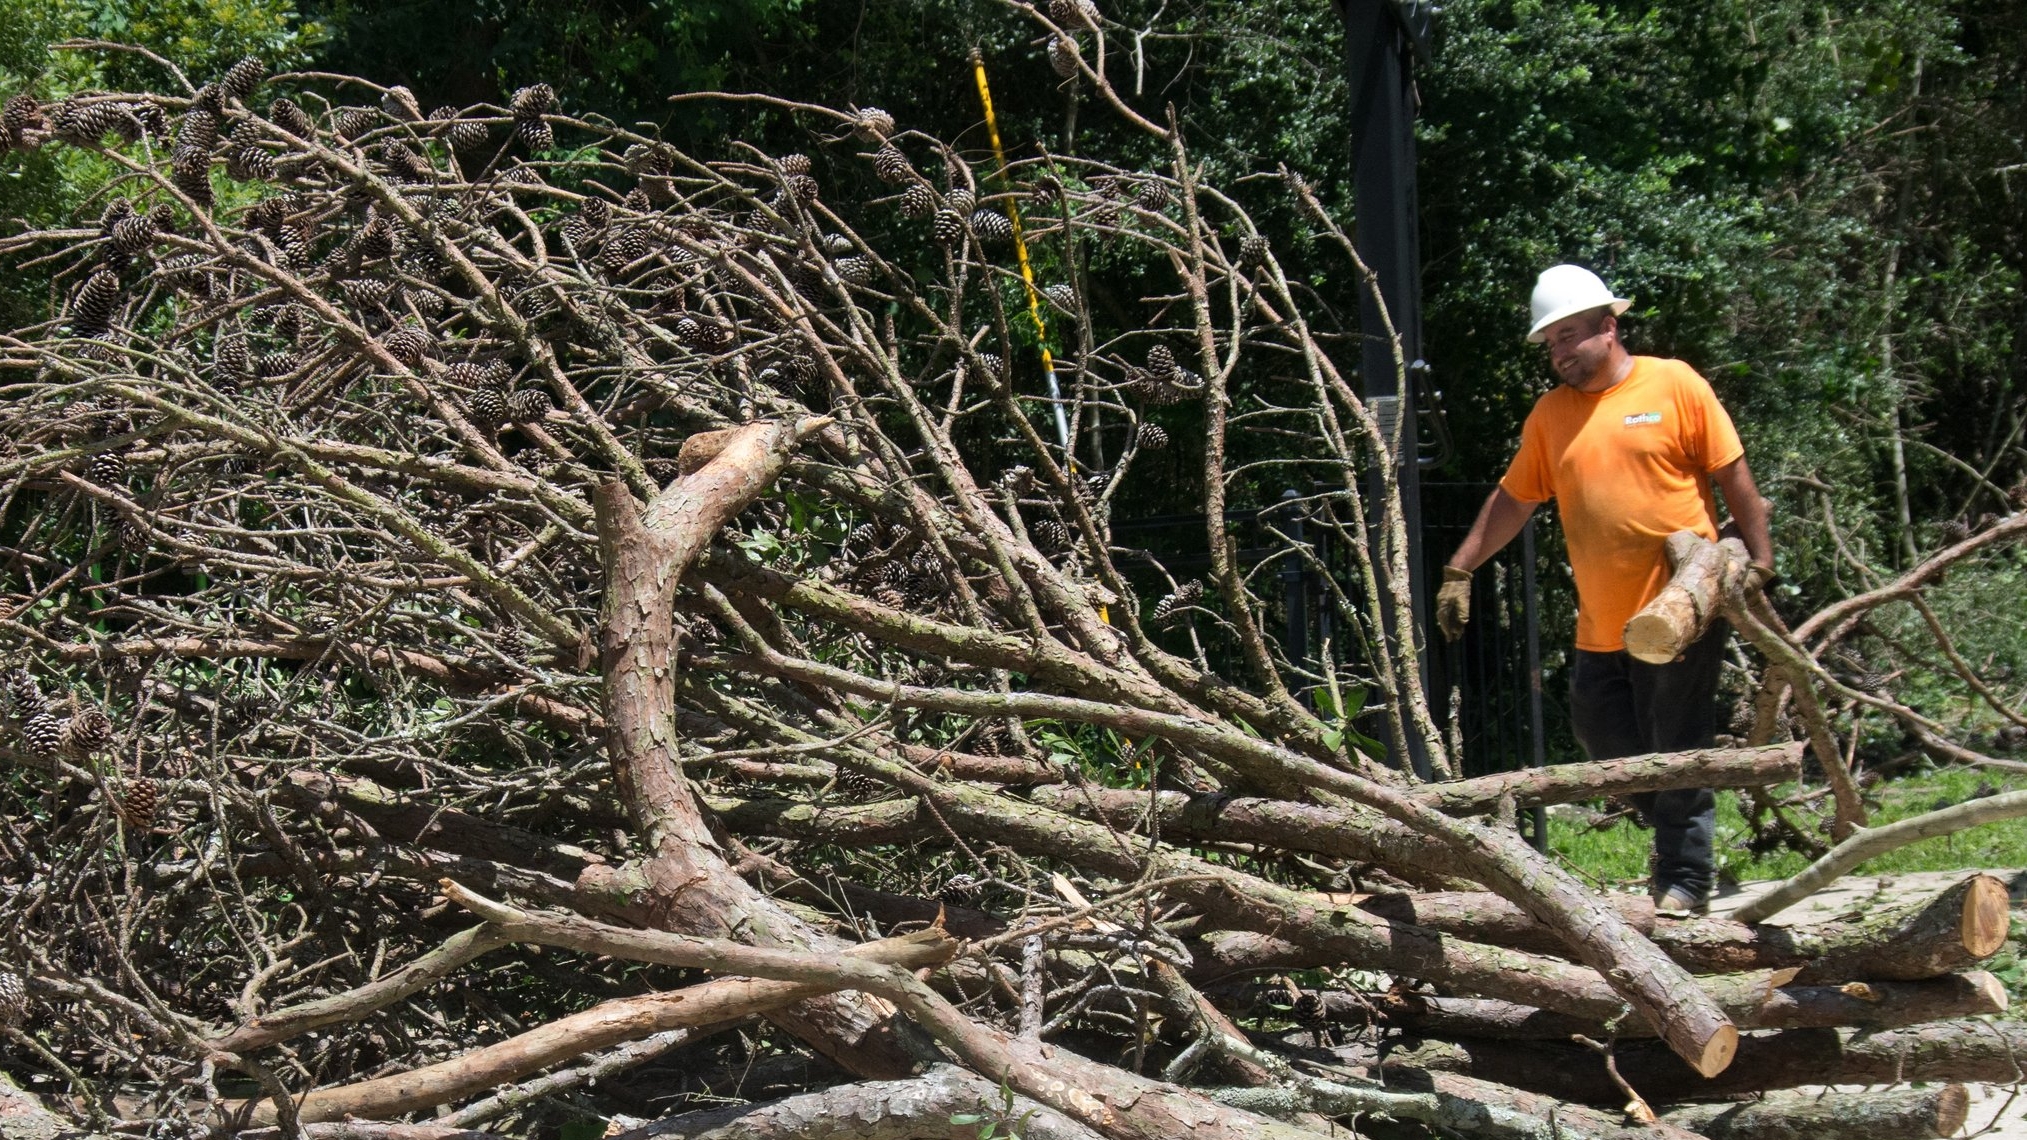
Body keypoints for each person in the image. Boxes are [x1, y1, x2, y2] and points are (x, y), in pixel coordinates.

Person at [1436, 264, 1774, 915]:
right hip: (1602, 623)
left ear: (1607, 326)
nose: (1559, 352)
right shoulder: (1551, 416)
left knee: (1675, 743)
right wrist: (1460, 568)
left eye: (1569, 336)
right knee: (1601, 737)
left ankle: (1682, 877)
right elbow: (1513, 499)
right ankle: (1679, 828)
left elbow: (1733, 476)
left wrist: (1756, 562)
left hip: (1679, 611)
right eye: (1551, 343)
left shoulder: (1673, 384)